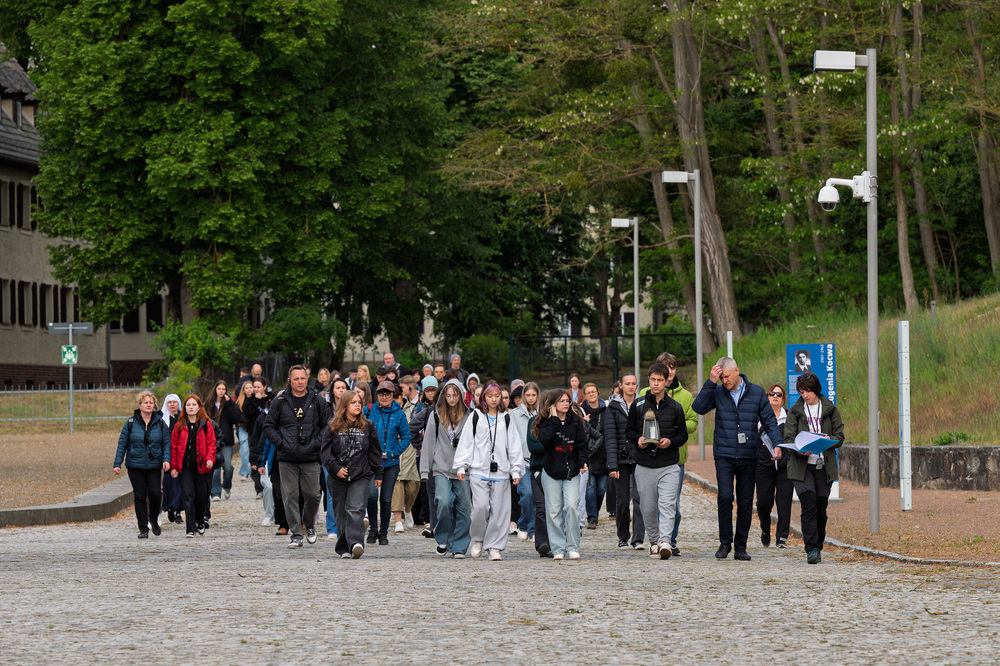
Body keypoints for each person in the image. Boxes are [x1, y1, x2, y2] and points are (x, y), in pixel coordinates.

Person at [692, 357, 784, 561]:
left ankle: (740, 546)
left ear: (736, 371)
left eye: (726, 377)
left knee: (744, 501)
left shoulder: (757, 392)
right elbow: (698, 407)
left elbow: (769, 420)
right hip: (724, 454)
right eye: (721, 377)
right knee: (725, 497)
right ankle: (725, 543)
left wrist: (777, 444)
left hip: (748, 454)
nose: (724, 381)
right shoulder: (717, 391)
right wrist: (710, 382)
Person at [262, 365, 333, 549]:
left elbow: (328, 426)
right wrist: (282, 443)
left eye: (302, 378)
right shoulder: (280, 401)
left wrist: (316, 443)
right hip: (287, 457)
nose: (300, 382)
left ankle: (308, 524)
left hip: (310, 456)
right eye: (296, 379)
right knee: (290, 496)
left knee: (313, 495)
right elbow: (268, 426)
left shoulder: (317, 400)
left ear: (307, 379)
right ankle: (295, 533)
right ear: (289, 380)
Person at [452, 381, 524, 561]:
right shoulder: (475, 416)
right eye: (490, 396)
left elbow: (514, 445)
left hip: (501, 471)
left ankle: (494, 547)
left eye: (497, 396)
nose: (493, 399)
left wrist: (516, 470)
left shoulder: (506, 418)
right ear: (483, 397)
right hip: (478, 469)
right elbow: (467, 442)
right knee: (481, 507)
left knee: (500, 511)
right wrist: (462, 465)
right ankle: (477, 538)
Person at [626, 363, 688, 559]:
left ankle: (665, 542)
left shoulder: (676, 407)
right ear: (649, 380)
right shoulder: (638, 405)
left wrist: (670, 442)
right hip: (644, 463)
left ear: (666, 382)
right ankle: (653, 540)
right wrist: (638, 440)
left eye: (660, 380)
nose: (656, 383)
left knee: (668, 504)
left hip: (669, 463)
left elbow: (683, 435)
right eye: (653, 379)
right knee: (647, 506)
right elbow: (628, 431)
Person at [784, 372, 844, 564]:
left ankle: (818, 544)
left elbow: (840, 437)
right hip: (802, 467)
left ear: (816, 389)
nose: (805, 395)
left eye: (808, 390)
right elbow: (788, 439)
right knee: (808, 505)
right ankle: (811, 549)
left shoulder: (830, 410)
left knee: (820, 508)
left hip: (823, 466)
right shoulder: (795, 411)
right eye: (802, 391)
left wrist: (829, 441)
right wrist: (799, 449)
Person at [320, 390, 382, 559]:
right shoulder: (332, 426)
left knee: (355, 509)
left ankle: (356, 542)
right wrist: (335, 468)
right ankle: (344, 547)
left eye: (359, 402)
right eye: (353, 402)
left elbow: (375, 451)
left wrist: (378, 473)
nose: (357, 405)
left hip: (360, 474)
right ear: (345, 405)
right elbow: (325, 453)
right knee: (340, 512)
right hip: (337, 476)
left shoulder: (368, 426)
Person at [420, 379, 473, 558]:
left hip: (463, 468)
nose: (451, 399)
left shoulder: (470, 415)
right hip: (441, 466)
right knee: (443, 502)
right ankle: (443, 538)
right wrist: (424, 470)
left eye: (455, 395)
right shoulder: (435, 414)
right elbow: (428, 443)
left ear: (461, 395)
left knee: (464, 507)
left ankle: (459, 545)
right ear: (443, 396)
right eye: (448, 395)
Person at [535, 389, 588, 560]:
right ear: (553, 405)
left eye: (568, 401)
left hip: (571, 472)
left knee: (572, 507)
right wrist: (555, 421)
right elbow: (544, 441)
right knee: (553, 511)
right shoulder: (547, 422)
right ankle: (558, 548)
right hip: (551, 472)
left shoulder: (576, 422)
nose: (566, 404)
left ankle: (572, 546)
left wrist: (582, 461)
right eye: (562, 401)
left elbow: (582, 444)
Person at [114, 390, 171, 538]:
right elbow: (122, 444)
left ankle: (153, 518)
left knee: (155, 494)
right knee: (139, 496)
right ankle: (143, 528)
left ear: (154, 406)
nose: (148, 405)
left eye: (151, 403)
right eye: (145, 402)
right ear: (140, 405)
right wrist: (117, 463)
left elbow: (166, 443)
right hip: (135, 465)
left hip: (154, 465)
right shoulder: (131, 423)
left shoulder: (160, 423)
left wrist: (166, 459)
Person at [656, 352, 697, 556]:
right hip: (652, 458)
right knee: (653, 504)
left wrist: (676, 425)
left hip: (676, 459)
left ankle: (670, 539)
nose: (670, 371)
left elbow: (692, 423)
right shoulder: (647, 392)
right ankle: (659, 540)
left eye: (672, 367)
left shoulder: (686, 396)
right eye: (665, 367)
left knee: (674, 506)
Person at [364, 380, 412, 545]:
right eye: (381, 393)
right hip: (370, 463)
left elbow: (406, 437)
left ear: (393, 396)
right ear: (377, 395)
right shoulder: (369, 411)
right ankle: (372, 529)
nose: (384, 397)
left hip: (390, 463)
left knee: (385, 499)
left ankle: (383, 532)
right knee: (371, 496)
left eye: (388, 394)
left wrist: (394, 452)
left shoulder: (399, 414)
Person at [605, 373, 645, 550]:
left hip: (639, 458)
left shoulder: (643, 405)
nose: (631, 387)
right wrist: (612, 465)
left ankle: (638, 538)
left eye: (633, 384)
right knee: (622, 501)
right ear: (621, 385)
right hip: (621, 461)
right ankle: (622, 537)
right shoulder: (612, 408)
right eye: (627, 384)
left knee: (639, 499)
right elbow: (610, 437)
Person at [169, 394, 217, 537]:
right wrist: (173, 467)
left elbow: (211, 444)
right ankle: (190, 528)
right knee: (188, 497)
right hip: (185, 467)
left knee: (201, 497)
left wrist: (210, 459)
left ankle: (200, 521)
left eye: (194, 405)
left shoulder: (206, 424)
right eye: (188, 405)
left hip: (202, 467)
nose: (191, 407)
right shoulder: (179, 426)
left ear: (199, 407)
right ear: (184, 408)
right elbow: (174, 447)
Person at [757, 382, 792, 548]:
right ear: (767, 397)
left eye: (779, 394)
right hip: (763, 466)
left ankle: (782, 537)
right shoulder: (759, 418)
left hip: (785, 467)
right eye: (772, 394)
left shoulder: (790, 419)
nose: (775, 397)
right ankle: (765, 529)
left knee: (784, 502)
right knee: (763, 503)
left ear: (783, 398)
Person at [508, 382, 539, 541]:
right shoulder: (514, 414)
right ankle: (523, 523)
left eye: (534, 395)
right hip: (522, 462)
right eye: (528, 395)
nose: (531, 398)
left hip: (539, 461)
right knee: (526, 494)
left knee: (537, 496)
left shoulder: (543, 413)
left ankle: (532, 529)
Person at [391, 377, 421, 532]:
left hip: (409, 451)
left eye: (396, 397)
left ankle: (408, 510)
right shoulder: (387, 412)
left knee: (412, 487)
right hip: (393, 451)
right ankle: (398, 521)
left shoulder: (412, 409)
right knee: (396, 486)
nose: (394, 400)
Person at [204, 380, 242, 502]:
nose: (221, 391)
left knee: (227, 467)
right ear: (215, 389)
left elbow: (236, 418)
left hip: (226, 439)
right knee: (215, 468)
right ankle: (215, 492)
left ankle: (226, 486)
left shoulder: (229, 404)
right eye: (219, 388)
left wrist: (230, 403)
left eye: (223, 389)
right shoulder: (208, 404)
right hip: (212, 439)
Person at [581, 382, 608, 530]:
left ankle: (595, 512)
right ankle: (592, 517)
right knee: (590, 488)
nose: (591, 394)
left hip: (603, 453)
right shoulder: (581, 411)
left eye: (593, 391)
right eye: (588, 392)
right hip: (588, 454)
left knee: (601, 488)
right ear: (585, 395)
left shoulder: (606, 410)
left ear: (598, 392)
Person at [160, 393, 184, 524]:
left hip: (180, 454)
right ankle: (169, 507)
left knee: (180, 482)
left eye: (175, 402)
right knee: (168, 483)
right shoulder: (162, 418)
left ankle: (178, 511)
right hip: (167, 454)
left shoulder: (182, 418)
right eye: (170, 402)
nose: (172, 404)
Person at [235, 380, 255, 479]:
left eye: (250, 387)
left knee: (252, 450)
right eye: (246, 388)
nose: (249, 390)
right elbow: (235, 414)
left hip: (253, 428)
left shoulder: (257, 400)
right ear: (243, 390)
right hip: (243, 428)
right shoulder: (239, 402)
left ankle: (252, 471)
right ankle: (244, 471)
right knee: (244, 450)